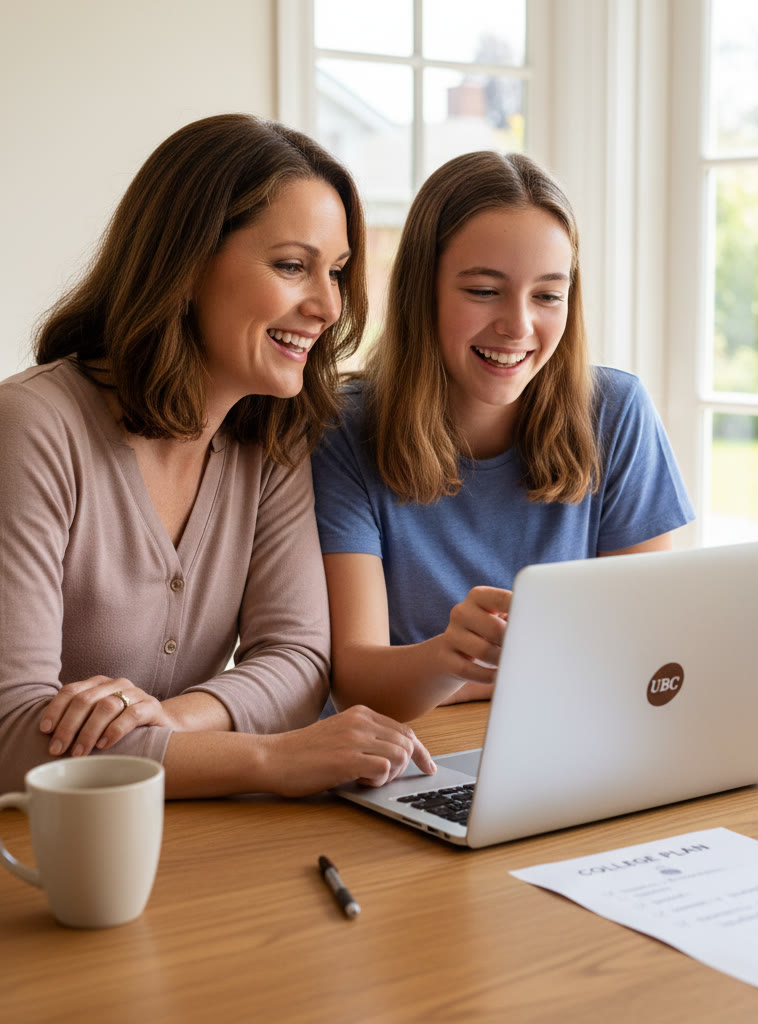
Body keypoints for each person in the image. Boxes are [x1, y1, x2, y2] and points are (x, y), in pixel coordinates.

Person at [0, 113, 435, 797]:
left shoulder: (273, 438)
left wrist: (159, 721)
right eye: (293, 266)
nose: (327, 305)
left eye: (338, 272)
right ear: (187, 262)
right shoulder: (32, 427)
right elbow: (14, 738)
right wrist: (270, 759)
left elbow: (297, 661)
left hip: (189, 835)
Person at [312, 151, 695, 723]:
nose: (518, 326)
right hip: (410, 757)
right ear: (424, 291)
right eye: (485, 291)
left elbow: (647, 658)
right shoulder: (341, 431)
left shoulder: (616, 412)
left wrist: (460, 677)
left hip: (571, 738)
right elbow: (356, 682)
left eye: (547, 295)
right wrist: (449, 657)